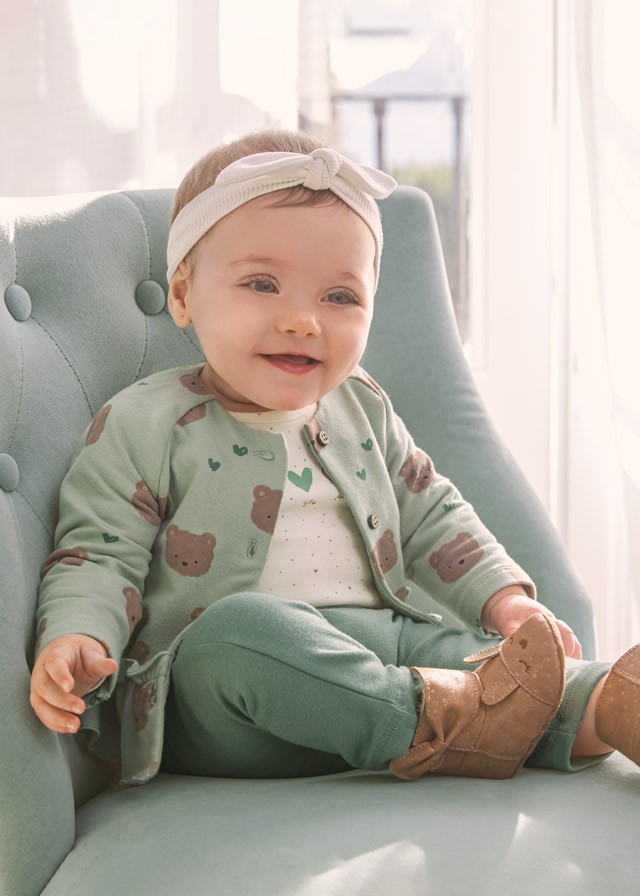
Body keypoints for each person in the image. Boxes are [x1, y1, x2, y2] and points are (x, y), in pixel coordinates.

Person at [29, 129, 638, 786]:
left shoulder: (361, 406)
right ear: (183, 295)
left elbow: (431, 513)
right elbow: (99, 553)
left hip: (379, 647)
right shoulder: (143, 423)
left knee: (477, 658)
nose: (303, 320)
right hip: (222, 698)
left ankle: (608, 706)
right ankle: (448, 720)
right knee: (239, 632)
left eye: (340, 297)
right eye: (262, 284)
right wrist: (79, 635)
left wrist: (504, 600)